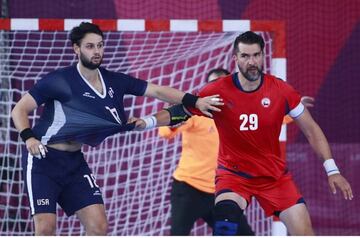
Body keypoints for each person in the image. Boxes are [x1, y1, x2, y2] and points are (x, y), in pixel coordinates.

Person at [10, 22, 221, 236]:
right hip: (43, 160)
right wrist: (29, 139)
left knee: (99, 227)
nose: (97, 51)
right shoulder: (59, 80)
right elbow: (19, 110)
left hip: (74, 162)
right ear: (77, 49)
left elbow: (157, 91)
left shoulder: (114, 81)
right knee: (45, 229)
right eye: (90, 46)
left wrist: (195, 101)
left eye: (100, 46)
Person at [135, 31, 353, 235]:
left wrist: (332, 169)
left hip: (274, 177)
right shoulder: (217, 92)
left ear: (263, 56)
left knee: (304, 233)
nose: (252, 62)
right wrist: (147, 121)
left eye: (256, 55)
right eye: (245, 56)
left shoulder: (282, 91)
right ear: (235, 58)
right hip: (233, 177)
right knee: (225, 224)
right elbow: (178, 111)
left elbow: (311, 129)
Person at [158, 68, 255, 236]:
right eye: (213, 84)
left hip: (221, 192)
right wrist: (172, 118)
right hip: (189, 188)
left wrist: (295, 111)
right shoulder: (195, 113)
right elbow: (166, 133)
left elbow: (269, 119)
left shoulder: (241, 114)